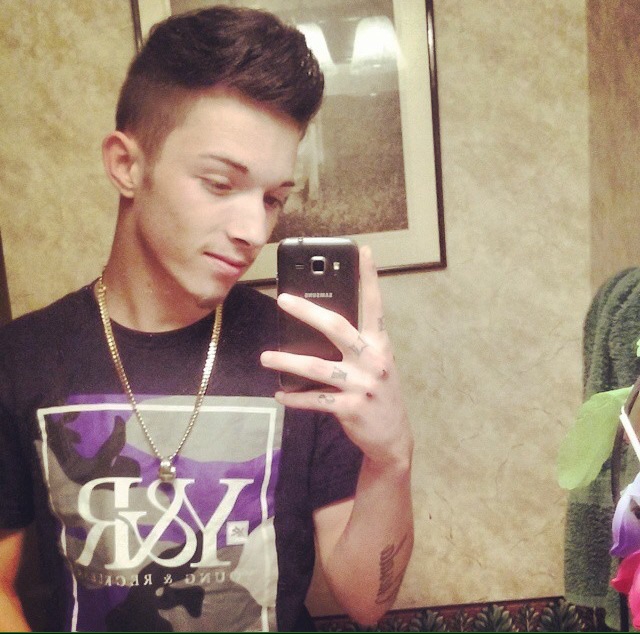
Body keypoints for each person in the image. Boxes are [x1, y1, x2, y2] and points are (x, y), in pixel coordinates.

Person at [0, 5, 414, 632]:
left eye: (273, 198)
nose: (253, 231)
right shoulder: (21, 359)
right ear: (127, 165)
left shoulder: (307, 356)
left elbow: (366, 601)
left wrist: (391, 458)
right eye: (220, 184)